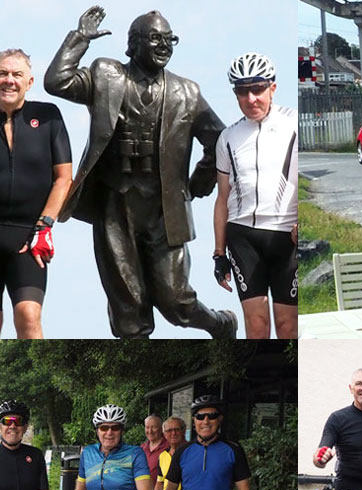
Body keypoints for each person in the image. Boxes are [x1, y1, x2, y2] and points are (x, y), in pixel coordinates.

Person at [46, 6, 238, 339]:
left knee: (176, 300)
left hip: (164, 211)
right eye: (155, 39)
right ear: (132, 44)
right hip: (114, 205)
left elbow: (220, 142)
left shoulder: (187, 93)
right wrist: (80, 39)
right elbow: (57, 81)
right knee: (128, 308)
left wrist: (197, 184)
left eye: (169, 39)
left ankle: (219, 324)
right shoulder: (106, 75)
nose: (164, 46)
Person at [0, 49, 73, 339]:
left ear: (29, 82)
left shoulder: (48, 117)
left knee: (29, 317)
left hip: (28, 238)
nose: (9, 80)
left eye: (16, 75)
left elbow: (64, 177)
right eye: (3, 74)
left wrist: (45, 226)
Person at [212, 52, 298, 339]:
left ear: (272, 88)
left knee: (288, 326)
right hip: (243, 236)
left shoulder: (293, 125)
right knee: (257, 326)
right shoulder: (228, 137)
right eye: (242, 91)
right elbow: (222, 197)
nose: (251, 99)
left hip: (286, 234)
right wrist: (218, 253)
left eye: (258, 89)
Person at [141, 415, 169, 479]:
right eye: (147, 427)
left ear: (161, 428)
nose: (150, 431)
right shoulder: (141, 448)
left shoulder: (169, 447)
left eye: (154, 427)